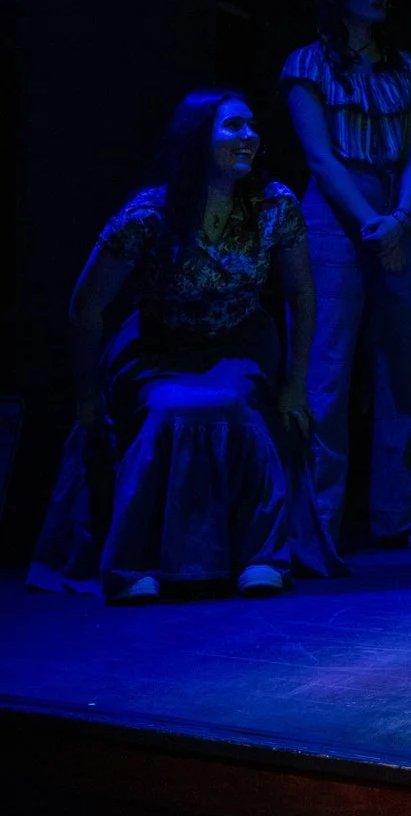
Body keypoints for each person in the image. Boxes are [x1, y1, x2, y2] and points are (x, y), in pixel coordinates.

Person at [30, 91, 342, 601]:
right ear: (199, 139)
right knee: (170, 411)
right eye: (234, 127)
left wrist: (294, 387)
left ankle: (259, 556)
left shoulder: (273, 205)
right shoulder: (149, 213)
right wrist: (87, 398)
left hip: (239, 345)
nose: (249, 137)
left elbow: (302, 293)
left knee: (236, 406)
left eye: (252, 127)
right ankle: (134, 563)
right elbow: (86, 306)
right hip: (159, 349)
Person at [281, 0, 411, 549]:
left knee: (398, 363)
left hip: (399, 208)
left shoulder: (406, 68)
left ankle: (401, 508)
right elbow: (321, 157)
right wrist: (374, 221)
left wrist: (400, 218)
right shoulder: (306, 64)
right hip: (335, 210)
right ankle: (315, 521)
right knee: (324, 366)